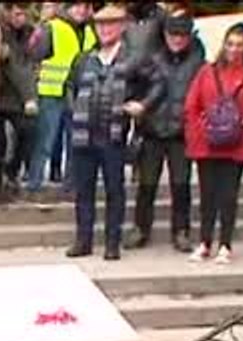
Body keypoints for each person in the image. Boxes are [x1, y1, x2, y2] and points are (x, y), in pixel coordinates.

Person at [65, 4, 161, 261]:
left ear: (122, 27)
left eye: (110, 24)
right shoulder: (84, 59)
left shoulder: (133, 58)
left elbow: (158, 83)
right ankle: (83, 240)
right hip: (83, 135)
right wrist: (74, 111)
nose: (105, 30)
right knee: (83, 191)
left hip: (114, 135)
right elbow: (69, 87)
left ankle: (111, 243)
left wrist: (142, 105)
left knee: (114, 191)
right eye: (100, 25)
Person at [130, 13, 203, 252]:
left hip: (182, 132)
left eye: (182, 35)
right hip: (152, 129)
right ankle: (141, 228)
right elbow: (135, 86)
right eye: (173, 35)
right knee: (147, 185)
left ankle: (181, 231)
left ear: (189, 36)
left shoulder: (198, 61)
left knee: (181, 185)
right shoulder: (150, 57)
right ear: (164, 34)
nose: (177, 40)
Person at [184, 23, 243, 264]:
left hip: (237, 144)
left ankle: (225, 244)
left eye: (240, 45)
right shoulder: (207, 72)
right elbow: (192, 105)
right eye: (230, 43)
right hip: (207, 143)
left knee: (229, 196)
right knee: (207, 195)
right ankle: (205, 242)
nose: (233, 49)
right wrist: (197, 131)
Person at [28, 2, 98, 194]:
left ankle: (71, 185)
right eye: (77, 6)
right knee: (44, 140)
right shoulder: (52, 28)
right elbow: (35, 56)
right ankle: (34, 184)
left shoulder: (91, 32)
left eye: (84, 7)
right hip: (52, 91)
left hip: (80, 92)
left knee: (75, 141)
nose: (81, 10)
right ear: (66, 8)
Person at [0, 4, 39, 201]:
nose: (22, 18)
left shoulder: (30, 34)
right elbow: (15, 67)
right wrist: (29, 97)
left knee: (26, 132)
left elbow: (26, 66)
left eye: (24, 14)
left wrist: (29, 96)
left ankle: (11, 171)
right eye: (18, 13)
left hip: (15, 96)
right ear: (8, 13)